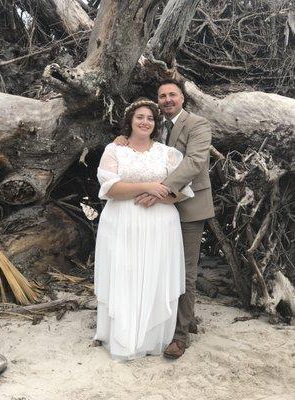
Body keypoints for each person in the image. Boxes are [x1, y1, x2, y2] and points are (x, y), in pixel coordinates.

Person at [114, 79, 214, 359]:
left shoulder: (198, 124)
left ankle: (180, 335)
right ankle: (160, 324)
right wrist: (123, 139)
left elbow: (194, 163)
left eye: (172, 94)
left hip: (189, 207)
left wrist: (162, 190)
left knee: (185, 271)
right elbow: (142, 147)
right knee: (158, 268)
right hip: (158, 213)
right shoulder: (155, 127)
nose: (167, 99)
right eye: (162, 96)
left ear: (182, 98)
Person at [94, 99, 193, 360]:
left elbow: (179, 193)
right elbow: (110, 189)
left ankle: (152, 337)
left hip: (160, 226)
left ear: (155, 123)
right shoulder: (114, 150)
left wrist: (159, 195)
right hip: (122, 224)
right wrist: (148, 186)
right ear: (130, 121)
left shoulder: (167, 154)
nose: (145, 122)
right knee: (124, 274)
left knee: (155, 275)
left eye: (150, 118)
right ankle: (124, 336)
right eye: (139, 117)